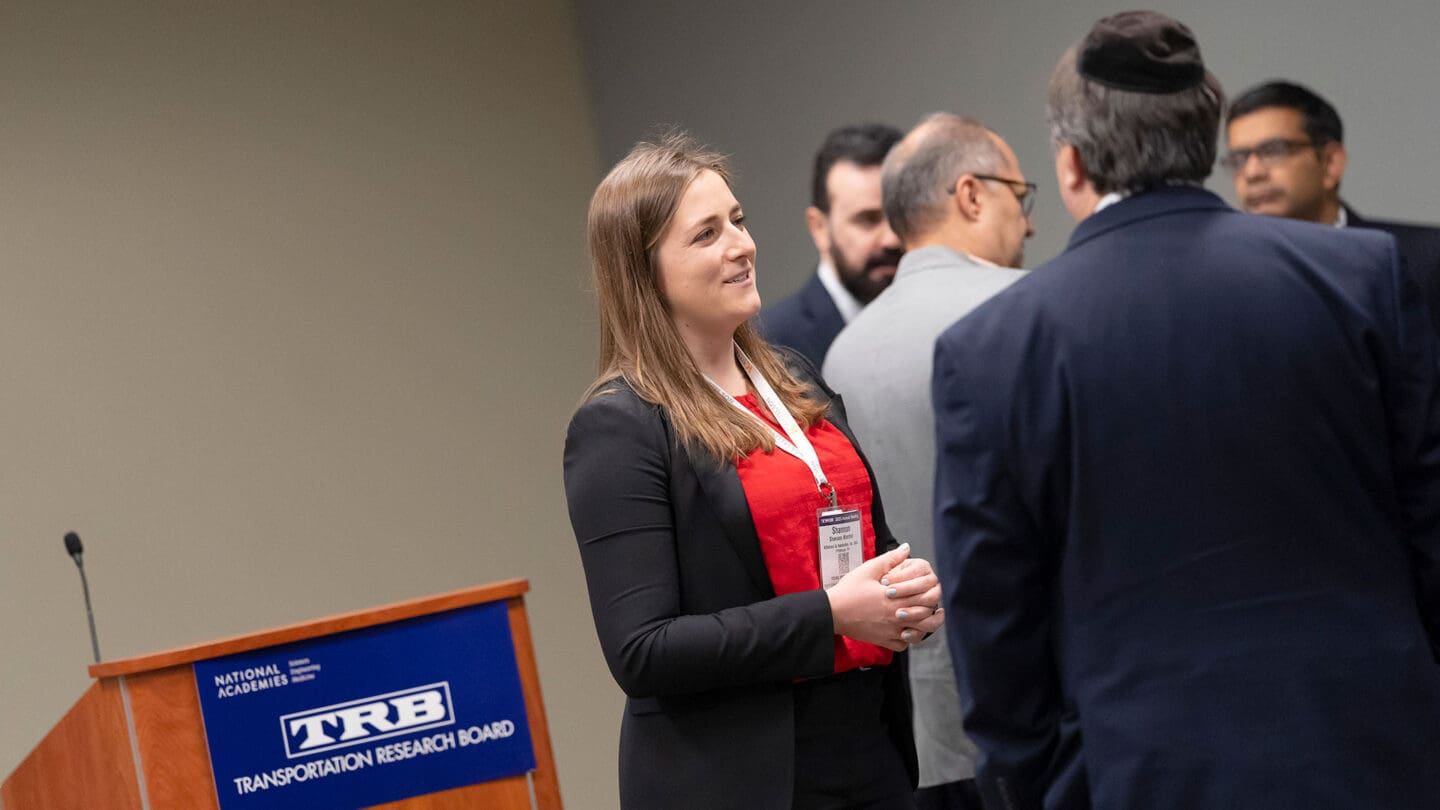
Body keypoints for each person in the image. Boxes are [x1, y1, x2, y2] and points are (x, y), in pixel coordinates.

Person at [931, 12, 1440, 810]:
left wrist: (1029, 786)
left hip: (1135, 770)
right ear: (1206, 143)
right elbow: (1429, 520)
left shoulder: (995, 347)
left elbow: (993, 616)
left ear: (1070, 166)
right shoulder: (1359, 279)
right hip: (1369, 752)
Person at [564, 132, 944, 810]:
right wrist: (830, 615)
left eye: (737, 220)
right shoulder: (620, 425)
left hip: (867, 746)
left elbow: (854, 534)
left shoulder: (792, 375)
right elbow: (644, 651)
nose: (741, 245)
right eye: (706, 234)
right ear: (644, 271)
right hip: (745, 774)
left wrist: (898, 587)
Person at [823, 112, 1031, 810]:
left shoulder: (841, 355)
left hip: (916, 727)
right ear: (971, 195)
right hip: (1038, 709)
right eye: (1019, 196)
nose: (1028, 224)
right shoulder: (1024, 311)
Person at [1224, 80, 1440, 329]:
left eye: (1274, 150)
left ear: (1330, 162)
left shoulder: (1423, 262)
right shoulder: (1227, 277)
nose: (1251, 173)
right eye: (1238, 159)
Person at [757, 124, 904, 367]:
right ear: (819, 228)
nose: (891, 239)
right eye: (868, 219)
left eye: (900, 215)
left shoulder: (937, 323)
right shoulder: (771, 344)